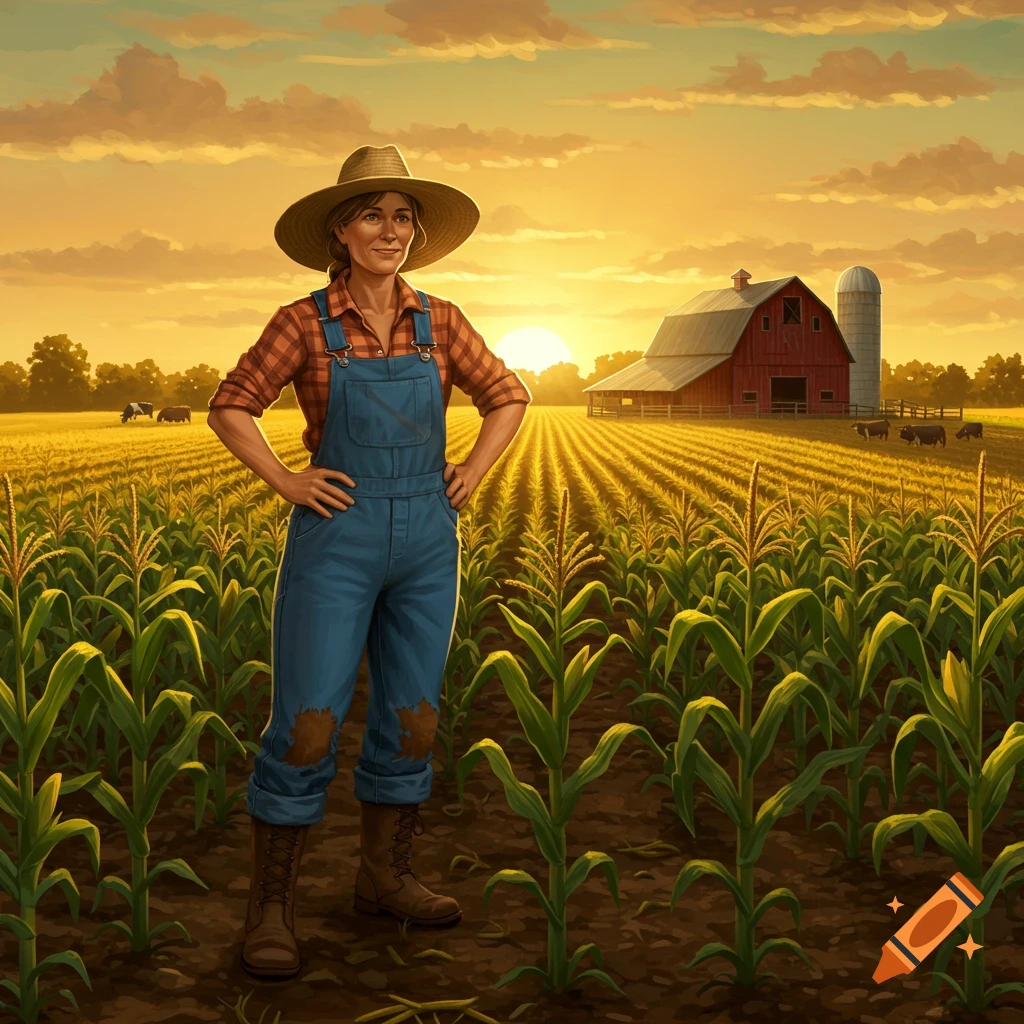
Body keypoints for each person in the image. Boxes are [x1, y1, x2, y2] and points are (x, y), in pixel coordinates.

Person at [207, 144, 532, 979]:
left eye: (401, 216)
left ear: (414, 234)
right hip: (339, 536)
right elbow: (233, 404)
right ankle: (270, 910)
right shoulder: (302, 322)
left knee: (414, 718)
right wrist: (285, 477)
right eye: (371, 214)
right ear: (340, 231)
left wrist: (475, 469)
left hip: (428, 533)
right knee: (309, 724)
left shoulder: (444, 320)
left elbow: (509, 395)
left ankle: (383, 878)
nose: (388, 229)